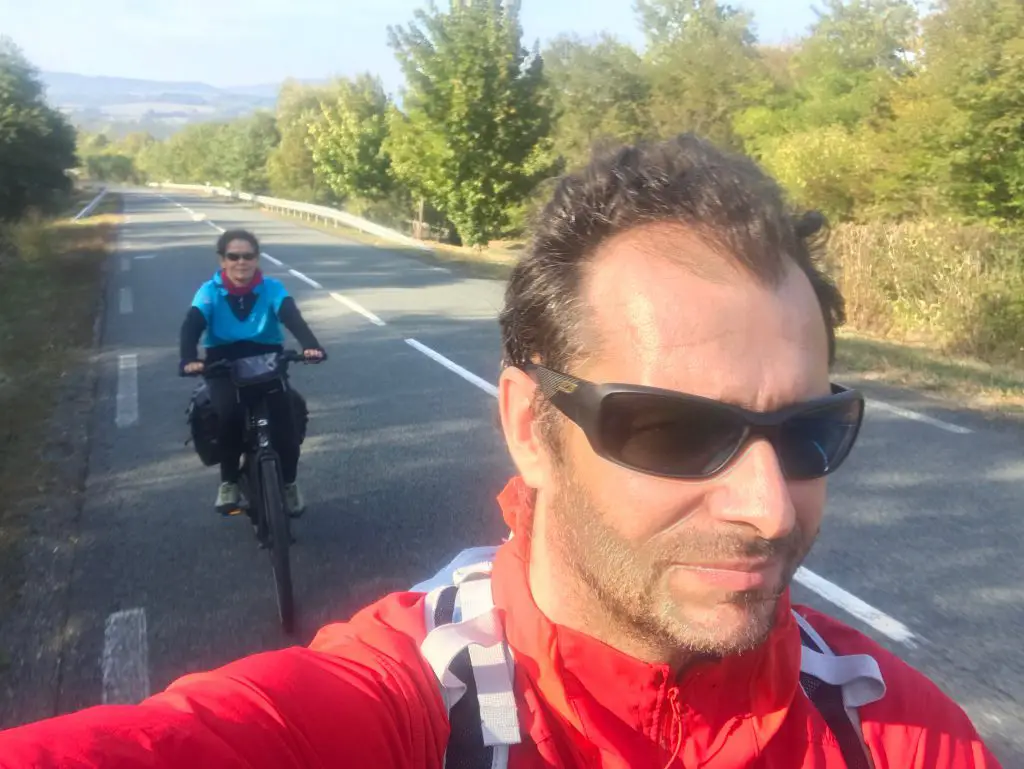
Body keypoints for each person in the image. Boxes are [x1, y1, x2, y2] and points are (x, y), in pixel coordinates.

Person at [0, 135, 1001, 767]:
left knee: (289, 423)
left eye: (808, 433)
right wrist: (202, 362)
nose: (771, 509)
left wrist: (297, 341)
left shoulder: (892, 732)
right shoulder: (410, 704)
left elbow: (298, 322)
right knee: (230, 422)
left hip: (275, 360)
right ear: (529, 425)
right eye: (677, 430)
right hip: (228, 369)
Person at [179, 229, 326, 516]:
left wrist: (311, 346)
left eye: (248, 256)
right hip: (223, 365)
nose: (241, 262)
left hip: (268, 361)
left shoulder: (272, 289)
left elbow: (291, 317)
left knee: (287, 423)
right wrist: (188, 358)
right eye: (233, 256)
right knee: (228, 416)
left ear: (256, 259)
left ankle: (289, 484)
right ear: (223, 260)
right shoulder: (209, 291)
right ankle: (229, 482)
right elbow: (192, 324)